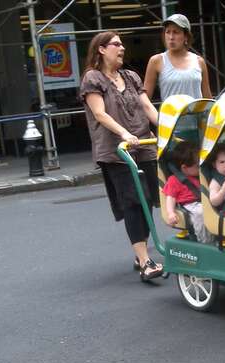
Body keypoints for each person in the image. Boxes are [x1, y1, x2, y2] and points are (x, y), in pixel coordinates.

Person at [80, 31, 162, 282]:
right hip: (117, 151)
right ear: (102, 49)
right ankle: (145, 260)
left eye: (122, 43)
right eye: (116, 44)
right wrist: (124, 133)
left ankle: (141, 255)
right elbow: (100, 114)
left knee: (147, 200)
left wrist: (168, 130)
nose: (122, 47)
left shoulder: (132, 76)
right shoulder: (93, 78)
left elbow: (147, 106)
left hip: (144, 145)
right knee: (133, 202)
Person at [143, 14, 211, 101]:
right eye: (168, 32)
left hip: (198, 114)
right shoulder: (156, 61)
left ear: (186, 36)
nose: (171, 37)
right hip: (170, 114)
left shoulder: (199, 61)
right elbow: (145, 100)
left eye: (176, 32)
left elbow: (208, 99)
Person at [162, 141, 213, 244]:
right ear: (184, 168)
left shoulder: (201, 176)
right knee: (201, 212)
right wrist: (171, 212)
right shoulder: (174, 180)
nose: (201, 168)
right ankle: (206, 242)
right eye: (198, 166)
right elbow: (170, 197)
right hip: (189, 205)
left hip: (204, 200)